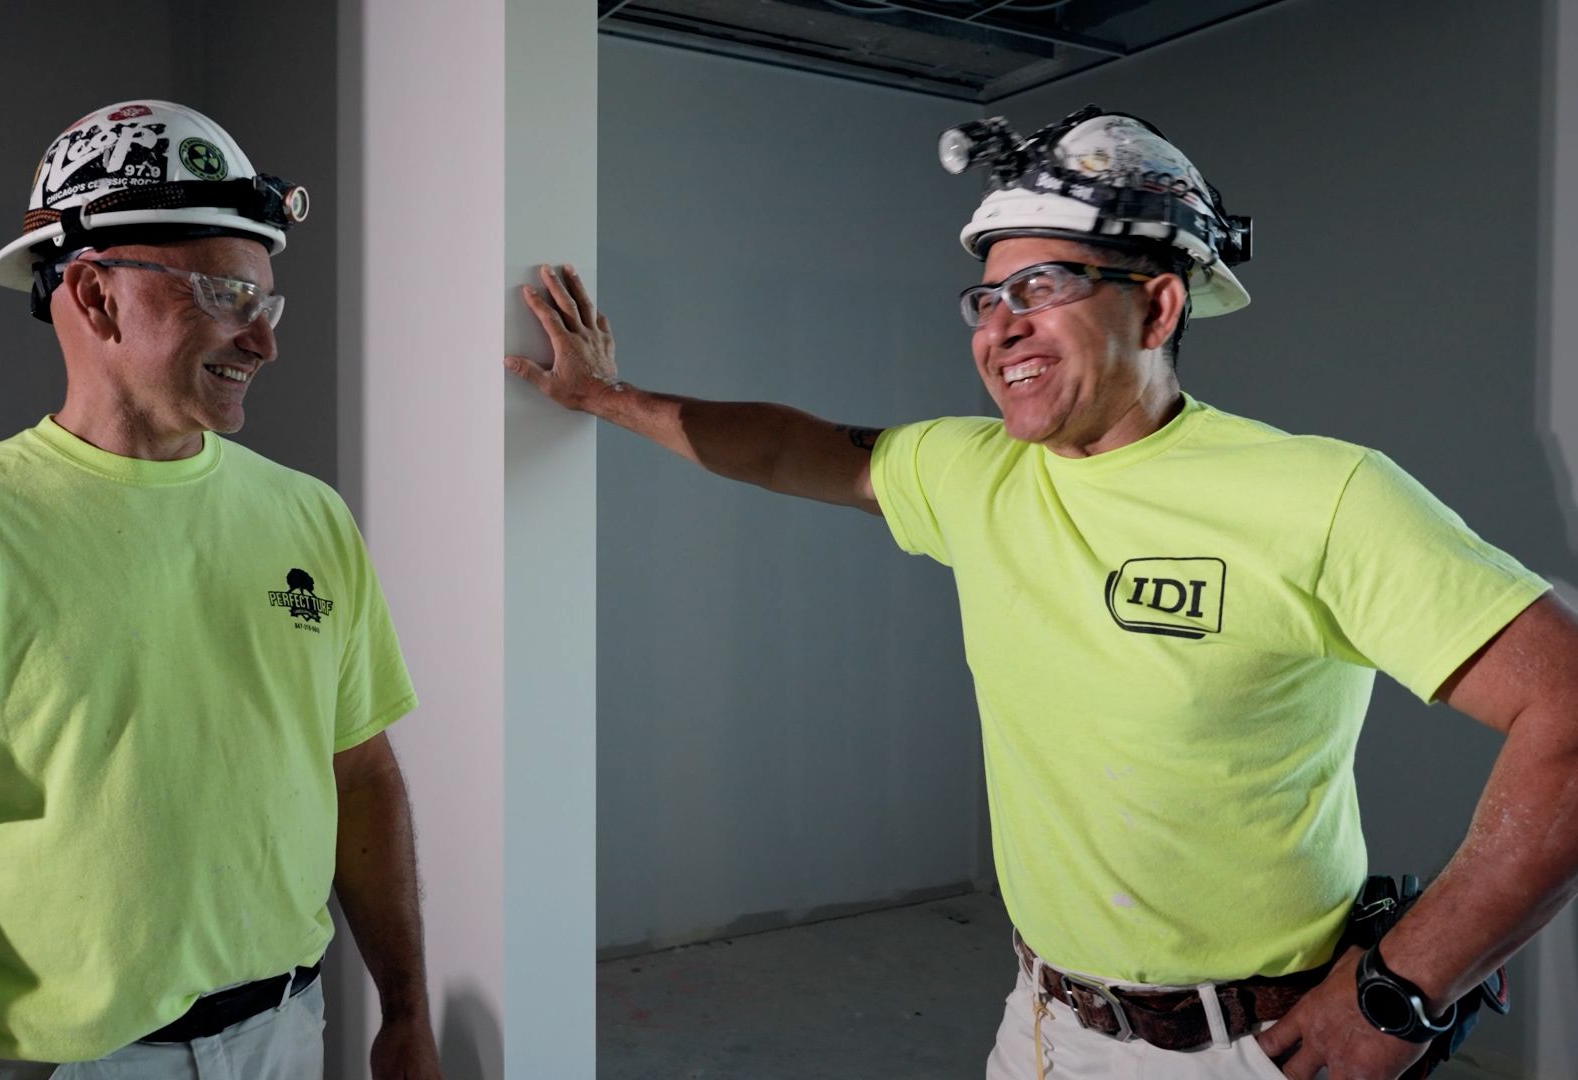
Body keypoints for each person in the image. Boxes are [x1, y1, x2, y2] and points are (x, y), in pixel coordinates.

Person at [504, 106, 1578, 1080]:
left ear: (1157, 307)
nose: (1000, 326)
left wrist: (1402, 989)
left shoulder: (1320, 494)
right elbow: (796, 449)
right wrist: (607, 397)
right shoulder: (978, 474)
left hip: (1245, 1050)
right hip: (1042, 1024)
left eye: (1046, 287)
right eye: (988, 296)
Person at [0, 100, 442, 1080]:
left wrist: (409, 1009)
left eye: (267, 301)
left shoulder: (311, 521)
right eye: (224, 294)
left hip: (289, 1041)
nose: (263, 342)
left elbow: (361, 776)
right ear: (93, 296)